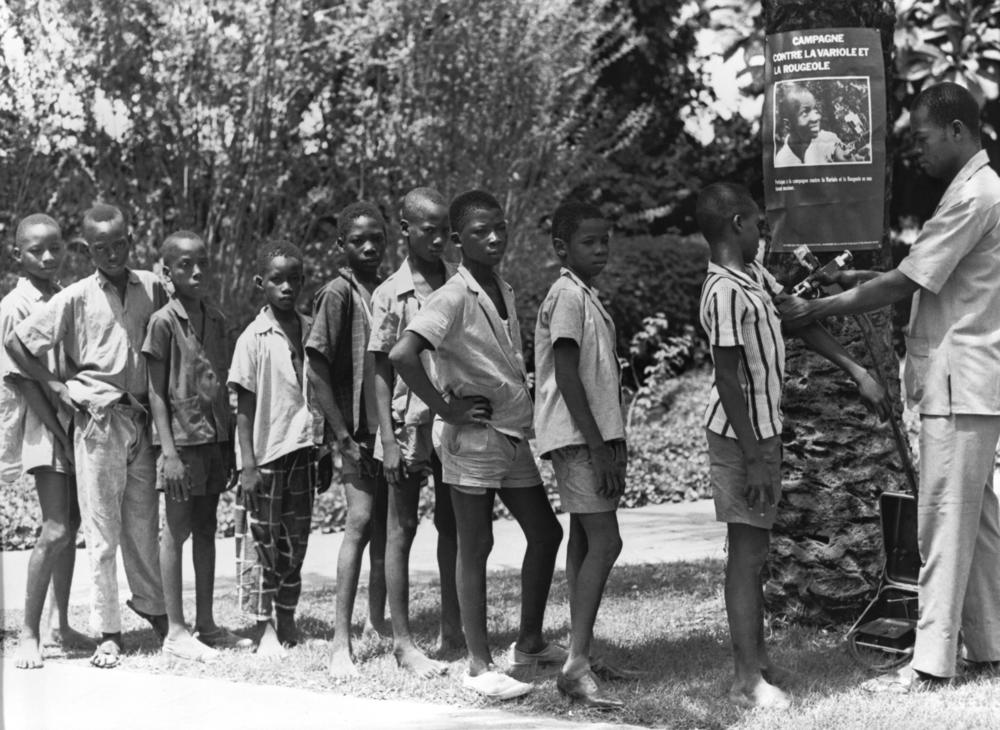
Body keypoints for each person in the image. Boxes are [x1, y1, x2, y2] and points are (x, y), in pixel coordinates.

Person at [780, 82, 1000, 692]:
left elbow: (907, 280)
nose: (918, 153)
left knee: (942, 522)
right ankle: (990, 647)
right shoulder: (974, 190)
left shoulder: (976, 194)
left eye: (924, 140)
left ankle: (929, 662)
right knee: (975, 523)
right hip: (967, 381)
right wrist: (858, 280)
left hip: (960, 382)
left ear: (957, 131)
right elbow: (923, 273)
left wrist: (820, 305)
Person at [696, 182, 889, 708]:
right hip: (742, 438)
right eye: (758, 223)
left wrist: (856, 371)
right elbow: (729, 379)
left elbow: (797, 322)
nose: (764, 233)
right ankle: (745, 681)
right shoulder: (724, 293)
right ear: (736, 224)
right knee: (746, 554)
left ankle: (758, 662)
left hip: (763, 431)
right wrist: (756, 457)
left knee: (756, 554)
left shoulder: (752, 278)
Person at [390, 190, 565, 700]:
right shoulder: (451, 296)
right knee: (475, 546)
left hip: (511, 434)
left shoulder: (501, 287)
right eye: (480, 232)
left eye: (500, 228)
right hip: (473, 438)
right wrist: (445, 410)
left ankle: (528, 644)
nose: (494, 238)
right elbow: (404, 353)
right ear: (456, 241)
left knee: (546, 533)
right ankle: (478, 664)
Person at [7, 204, 168, 669]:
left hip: (134, 418)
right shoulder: (66, 297)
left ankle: (152, 609)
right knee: (85, 530)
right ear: (88, 250)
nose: (113, 254)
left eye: (120, 244)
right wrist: (60, 392)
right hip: (79, 422)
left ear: (131, 240)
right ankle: (95, 631)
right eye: (101, 248)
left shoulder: (147, 286)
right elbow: (18, 351)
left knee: (137, 524)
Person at [533, 201, 632, 709]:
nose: (601, 248)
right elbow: (567, 376)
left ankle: (582, 653)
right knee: (607, 540)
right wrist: (598, 444)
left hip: (587, 436)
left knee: (583, 540)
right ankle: (574, 667)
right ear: (562, 248)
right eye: (589, 241)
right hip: (576, 439)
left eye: (604, 239)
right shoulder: (567, 296)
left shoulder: (584, 295)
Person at [142, 231, 251, 662]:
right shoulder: (163, 322)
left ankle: (206, 623)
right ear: (167, 273)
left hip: (213, 441)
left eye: (202, 262)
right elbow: (155, 393)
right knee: (177, 529)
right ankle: (176, 630)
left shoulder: (217, 319)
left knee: (207, 528)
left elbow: (220, 385)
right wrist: (167, 452)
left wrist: (227, 447)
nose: (197, 271)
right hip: (181, 446)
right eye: (186, 265)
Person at [367, 187, 461, 677]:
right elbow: (380, 371)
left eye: (446, 230)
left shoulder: (458, 282)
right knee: (401, 529)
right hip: (408, 426)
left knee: (455, 524)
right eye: (430, 230)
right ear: (405, 230)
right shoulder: (389, 294)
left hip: (454, 419)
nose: (441, 239)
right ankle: (403, 643)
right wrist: (386, 439)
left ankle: (454, 629)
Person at [2, 214, 93, 669]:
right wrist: (60, 434)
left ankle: (61, 624)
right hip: (44, 428)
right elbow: (24, 382)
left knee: (71, 528)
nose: (48, 257)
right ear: (16, 254)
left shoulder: (65, 296)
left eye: (55, 247)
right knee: (55, 527)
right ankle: (29, 632)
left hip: (70, 426)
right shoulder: (15, 305)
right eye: (37, 250)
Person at [307, 201, 391, 678]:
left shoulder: (384, 290)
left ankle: (375, 623)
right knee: (359, 523)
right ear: (341, 245)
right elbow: (316, 366)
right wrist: (341, 436)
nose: (369, 246)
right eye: (358, 239)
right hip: (356, 431)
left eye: (376, 238)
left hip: (387, 429)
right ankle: (340, 641)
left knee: (386, 526)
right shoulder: (337, 294)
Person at [229, 241, 324, 657]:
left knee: (295, 540)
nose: (286, 287)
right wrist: (246, 464)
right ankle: (264, 626)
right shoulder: (253, 338)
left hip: (303, 450)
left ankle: (287, 621)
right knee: (262, 542)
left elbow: (317, 394)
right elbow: (244, 407)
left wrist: (323, 452)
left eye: (293, 279)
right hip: (266, 456)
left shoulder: (309, 328)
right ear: (260, 283)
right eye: (276, 279)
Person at [774, 83, 853, 167]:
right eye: (805, 113)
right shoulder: (782, 162)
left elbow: (841, 153)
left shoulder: (827, 139)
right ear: (788, 124)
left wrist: (846, 157)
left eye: (815, 110)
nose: (816, 117)